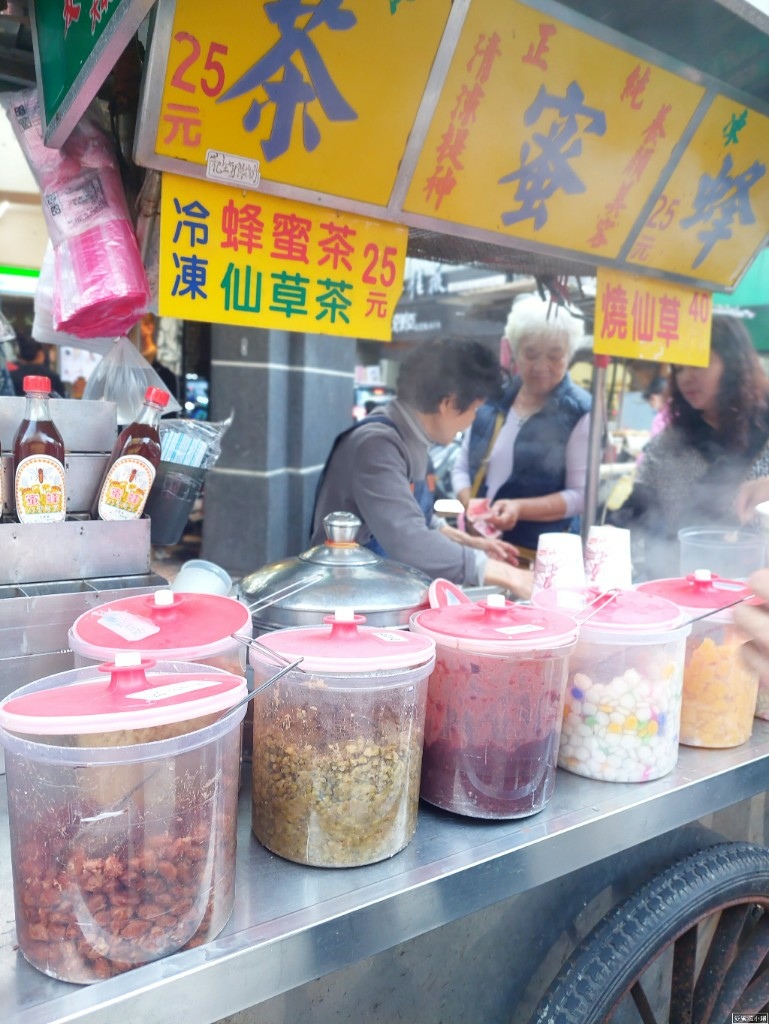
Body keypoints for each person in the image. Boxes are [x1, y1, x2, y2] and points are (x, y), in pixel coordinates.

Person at [310, 338, 533, 597]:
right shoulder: (377, 446)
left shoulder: (415, 438)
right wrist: (510, 575)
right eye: (474, 409)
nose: (472, 420)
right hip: (348, 599)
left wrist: (471, 544)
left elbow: (422, 518)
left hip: (384, 591)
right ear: (447, 403)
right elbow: (409, 539)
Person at [612, 314, 769, 580]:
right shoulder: (670, 443)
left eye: (699, 364)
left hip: (757, 595)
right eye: (679, 368)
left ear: (733, 364)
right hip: (684, 585)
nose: (686, 378)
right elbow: (638, 512)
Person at [451, 294, 591, 559]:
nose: (541, 366)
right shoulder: (491, 398)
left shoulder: (580, 411)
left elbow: (581, 496)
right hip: (481, 549)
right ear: (515, 351)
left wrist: (518, 508)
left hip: (540, 556)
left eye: (555, 355)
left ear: (569, 355)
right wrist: (471, 506)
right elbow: (460, 468)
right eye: (530, 353)